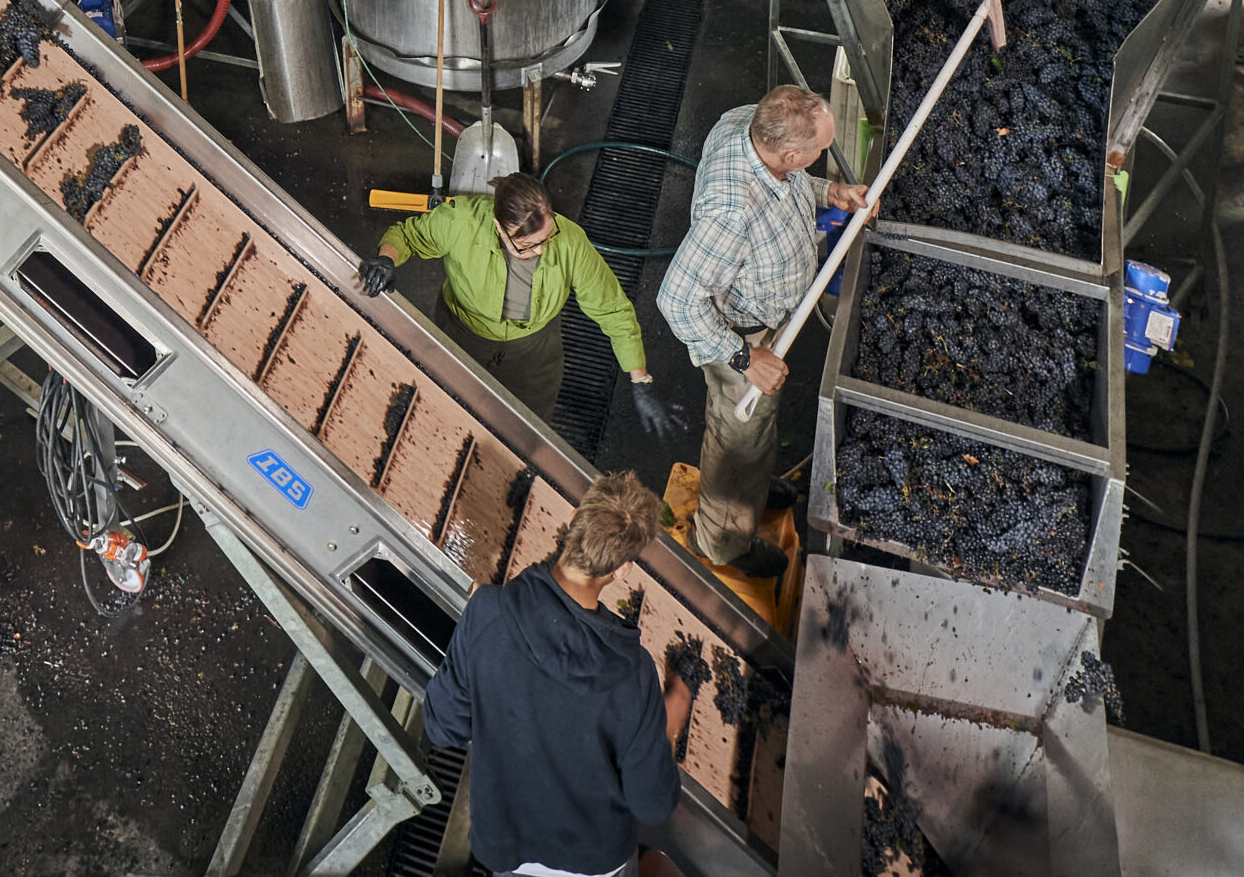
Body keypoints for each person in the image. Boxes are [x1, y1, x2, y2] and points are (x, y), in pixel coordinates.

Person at [423, 470, 695, 877]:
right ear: (623, 569)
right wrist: (670, 720)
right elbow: (652, 803)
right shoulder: (632, 673)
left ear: (572, 521)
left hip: (504, 847)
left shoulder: (487, 612)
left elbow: (443, 727)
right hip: (594, 861)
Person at [656, 86, 874, 578]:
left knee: (755, 434)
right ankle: (722, 542)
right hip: (739, 335)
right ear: (792, 153)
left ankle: (755, 483)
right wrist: (744, 359)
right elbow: (674, 300)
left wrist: (829, 192)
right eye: (819, 152)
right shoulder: (729, 213)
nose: (822, 158)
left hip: (769, 323)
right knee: (736, 439)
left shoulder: (746, 122)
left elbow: (790, 188)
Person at [358, 173, 651, 415]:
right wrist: (386, 259)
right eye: (527, 246)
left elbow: (612, 308)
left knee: (529, 428)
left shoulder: (571, 242)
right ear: (499, 226)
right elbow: (409, 236)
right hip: (462, 337)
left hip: (534, 353)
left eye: (547, 238)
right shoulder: (461, 220)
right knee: (450, 410)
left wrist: (639, 378)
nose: (540, 250)